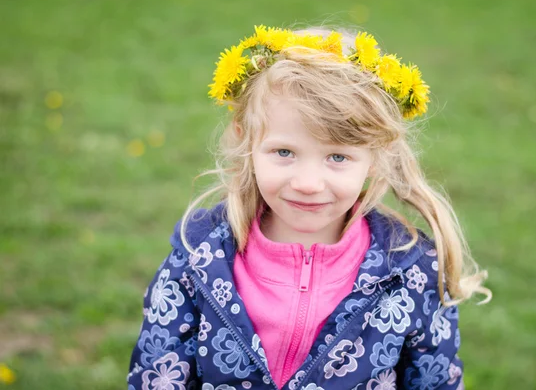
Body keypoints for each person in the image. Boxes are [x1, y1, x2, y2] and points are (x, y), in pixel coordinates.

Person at [127, 25, 491, 390]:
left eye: (337, 156)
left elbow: (436, 382)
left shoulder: (410, 270)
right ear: (245, 140)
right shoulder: (199, 256)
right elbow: (155, 375)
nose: (308, 182)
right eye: (284, 152)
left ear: (377, 158)